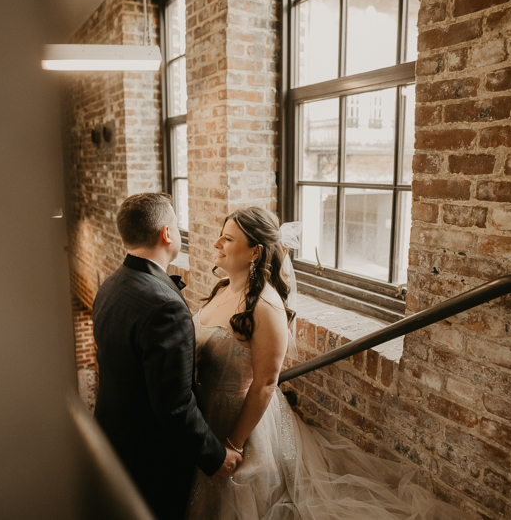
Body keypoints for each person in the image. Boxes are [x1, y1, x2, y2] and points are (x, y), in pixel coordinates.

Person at [186, 206, 468, 520]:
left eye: (226, 239)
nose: (216, 244)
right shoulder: (222, 290)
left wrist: (234, 443)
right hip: (205, 411)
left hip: (240, 424)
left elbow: (266, 383)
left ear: (255, 251)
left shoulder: (265, 306)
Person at [92, 193, 242, 520]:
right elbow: (174, 405)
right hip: (150, 453)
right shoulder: (165, 305)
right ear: (167, 233)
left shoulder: (112, 283)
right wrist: (216, 456)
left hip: (112, 432)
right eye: (176, 222)